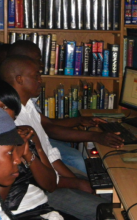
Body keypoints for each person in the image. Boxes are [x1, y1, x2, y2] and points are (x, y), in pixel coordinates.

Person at [0, 55, 110, 220]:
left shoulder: (27, 109)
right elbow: (46, 184)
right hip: (40, 193)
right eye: (36, 75)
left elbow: (49, 131)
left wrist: (75, 181)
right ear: (20, 79)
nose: (41, 80)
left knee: (109, 190)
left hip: (49, 180)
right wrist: (76, 183)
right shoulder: (12, 130)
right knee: (107, 210)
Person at [6, 40, 124, 174]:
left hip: (45, 152)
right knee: (78, 159)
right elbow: (50, 129)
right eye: (38, 60)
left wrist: (79, 121)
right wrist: (96, 136)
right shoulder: (10, 106)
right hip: (39, 166)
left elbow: (46, 123)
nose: (42, 64)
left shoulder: (26, 102)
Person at [0, 80, 78, 219]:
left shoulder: (24, 134)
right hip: (18, 213)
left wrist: (28, 153)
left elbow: (50, 184)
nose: (7, 115)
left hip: (41, 205)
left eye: (8, 108)